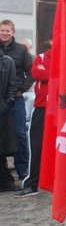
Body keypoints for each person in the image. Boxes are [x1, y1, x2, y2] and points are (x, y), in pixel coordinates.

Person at [0, 19, 34, 180]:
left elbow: (32, 72)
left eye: (7, 31)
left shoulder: (21, 50)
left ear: (13, 32)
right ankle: (4, 173)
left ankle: (23, 171)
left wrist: (22, 89)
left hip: (16, 98)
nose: (4, 33)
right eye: (2, 30)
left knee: (20, 134)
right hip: (1, 99)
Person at [17, 43, 50, 197]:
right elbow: (37, 74)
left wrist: (49, 73)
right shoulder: (41, 57)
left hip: (64, 108)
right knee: (36, 144)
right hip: (42, 106)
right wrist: (56, 73)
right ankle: (32, 182)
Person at [0, 52, 19, 192]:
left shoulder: (7, 61)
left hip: (2, 109)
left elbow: (13, 84)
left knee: (2, 147)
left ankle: (5, 180)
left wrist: (7, 103)